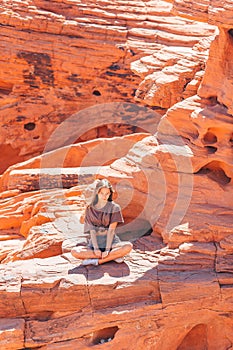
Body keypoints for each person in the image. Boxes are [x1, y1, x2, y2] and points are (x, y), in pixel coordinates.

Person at [71, 179, 133, 266]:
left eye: (107, 193)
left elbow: (111, 231)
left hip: (111, 243)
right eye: (102, 193)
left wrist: (107, 250)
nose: (104, 196)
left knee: (128, 246)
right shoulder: (90, 208)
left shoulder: (115, 208)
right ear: (97, 193)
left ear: (110, 193)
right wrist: (96, 249)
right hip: (94, 243)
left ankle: (96, 261)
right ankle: (112, 256)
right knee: (75, 252)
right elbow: (92, 231)